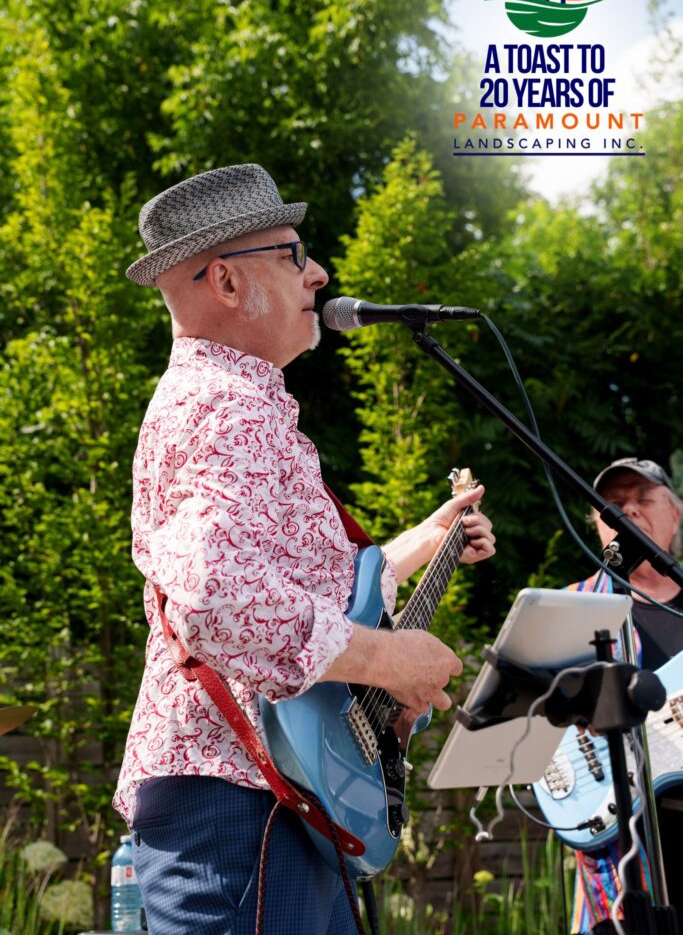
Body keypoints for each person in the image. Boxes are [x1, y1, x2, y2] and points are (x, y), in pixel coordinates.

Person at [114, 164, 496, 935]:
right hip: (238, 794)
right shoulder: (226, 403)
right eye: (293, 254)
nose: (318, 273)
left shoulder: (231, 400)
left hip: (266, 794)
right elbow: (214, 601)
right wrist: (385, 660)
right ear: (226, 280)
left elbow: (282, 586)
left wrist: (425, 542)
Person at [568, 457, 683, 935]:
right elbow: (527, 721)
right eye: (613, 504)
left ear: (675, 514)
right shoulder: (571, 607)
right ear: (599, 526)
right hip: (623, 843)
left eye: (642, 499)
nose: (629, 511)